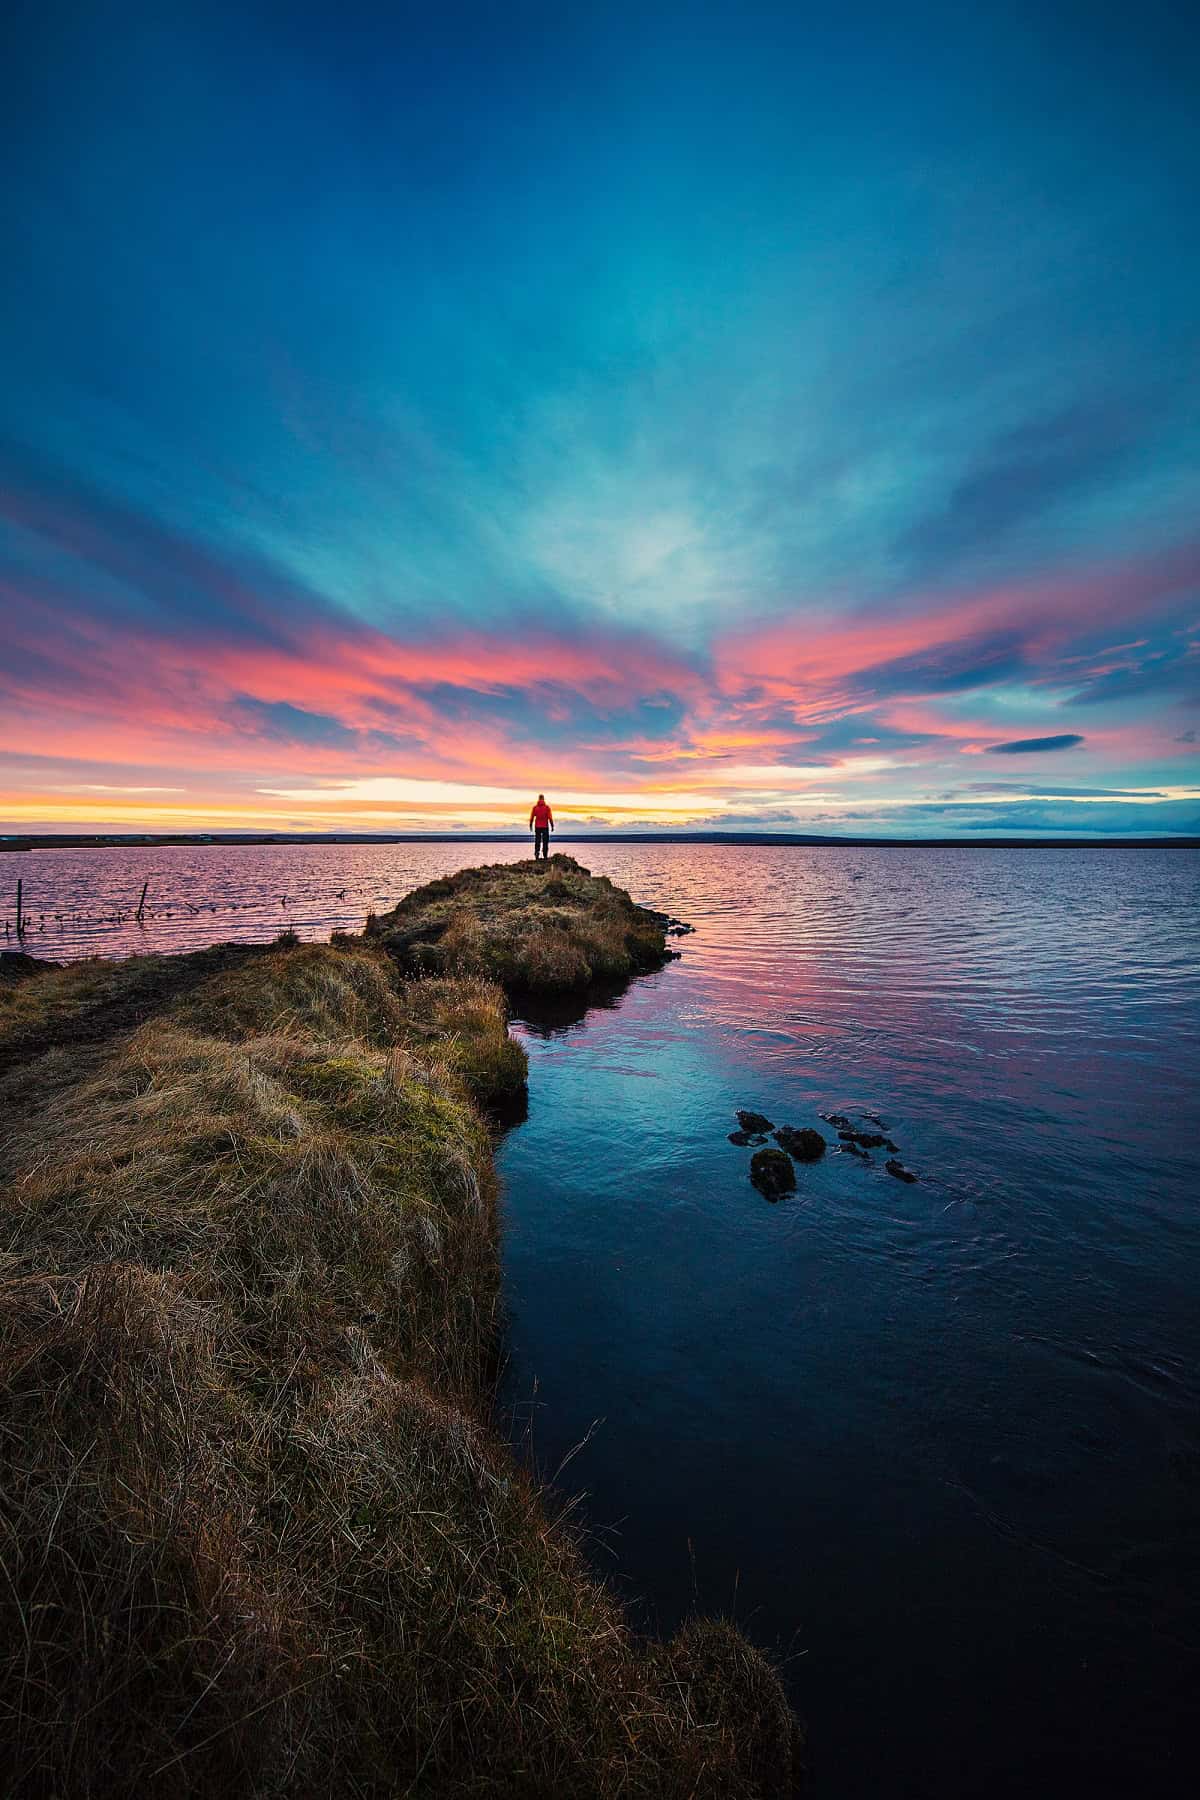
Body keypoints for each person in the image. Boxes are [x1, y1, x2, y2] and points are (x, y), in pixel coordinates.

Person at [529, 793, 554, 860]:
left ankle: (537, 854)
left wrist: (530, 825)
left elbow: (532, 817)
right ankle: (545, 855)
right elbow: (550, 818)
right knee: (545, 841)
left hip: (537, 827)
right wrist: (552, 825)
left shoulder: (535, 808)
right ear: (543, 799)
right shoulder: (547, 807)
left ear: (538, 799)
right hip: (545, 827)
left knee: (537, 841)